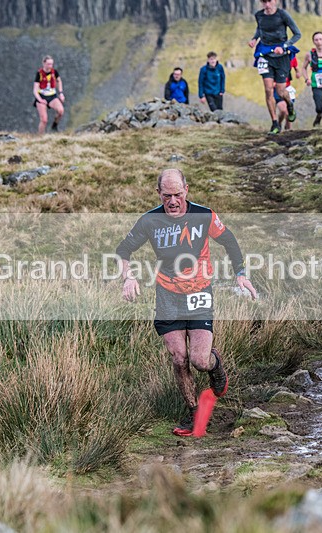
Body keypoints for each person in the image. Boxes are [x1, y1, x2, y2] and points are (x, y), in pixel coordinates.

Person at [115, 169, 258, 436]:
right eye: (166, 195)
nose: (172, 201)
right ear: (158, 193)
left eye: (177, 194)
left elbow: (229, 241)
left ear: (186, 190)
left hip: (199, 292)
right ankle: (194, 414)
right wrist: (128, 278)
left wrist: (240, 273)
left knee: (199, 360)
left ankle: (215, 368)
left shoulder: (203, 215)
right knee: (179, 358)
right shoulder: (150, 221)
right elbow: (124, 250)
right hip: (167, 294)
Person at [248, 0, 301, 134]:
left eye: (269, 1)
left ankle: (290, 105)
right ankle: (275, 123)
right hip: (265, 54)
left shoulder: (283, 15)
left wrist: (283, 46)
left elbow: (297, 34)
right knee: (268, 89)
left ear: (275, 1)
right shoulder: (258, 15)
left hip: (281, 56)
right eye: (264, 2)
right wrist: (254, 39)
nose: (267, 4)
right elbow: (259, 29)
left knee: (281, 91)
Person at [33, 55, 65, 134]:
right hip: (42, 97)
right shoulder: (39, 73)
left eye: (51, 64)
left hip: (52, 96)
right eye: (48, 64)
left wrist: (61, 93)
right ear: (43, 63)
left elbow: (59, 81)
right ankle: (40, 137)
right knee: (44, 120)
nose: (50, 66)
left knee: (61, 111)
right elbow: (35, 90)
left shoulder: (54, 72)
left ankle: (54, 126)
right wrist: (40, 100)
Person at [276, 55, 300, 131]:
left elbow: (296, 67)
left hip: (288, 87)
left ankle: (288, 130)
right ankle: (278, 124)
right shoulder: (274, 58)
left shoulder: (291, 57)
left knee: (289, 111)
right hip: (277, 88)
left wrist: (298, 72)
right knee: (283, 110)